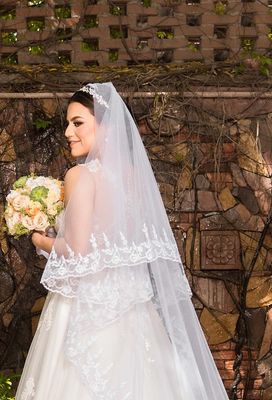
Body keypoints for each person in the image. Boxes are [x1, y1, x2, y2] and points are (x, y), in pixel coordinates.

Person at [15, 82, 228, 400]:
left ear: (105, 125)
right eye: (67, 124)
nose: (68, 133)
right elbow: (112, 243)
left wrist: (40, 240)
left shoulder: (80, 176)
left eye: (78, 123)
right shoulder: (132, 177)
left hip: (85, 310)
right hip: (133, 311)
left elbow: (77, 252)